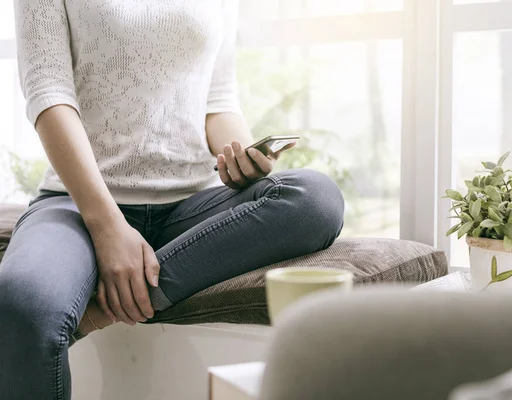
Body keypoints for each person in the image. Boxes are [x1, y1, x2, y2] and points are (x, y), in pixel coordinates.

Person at [0, 0, 345, 398]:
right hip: (76, 205)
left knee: (315, 198)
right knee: (23, 305)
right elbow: (49, 95)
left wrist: (239, 160)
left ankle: (100, 313)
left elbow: (217, 99)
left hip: (191, 208)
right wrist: (109, 227)